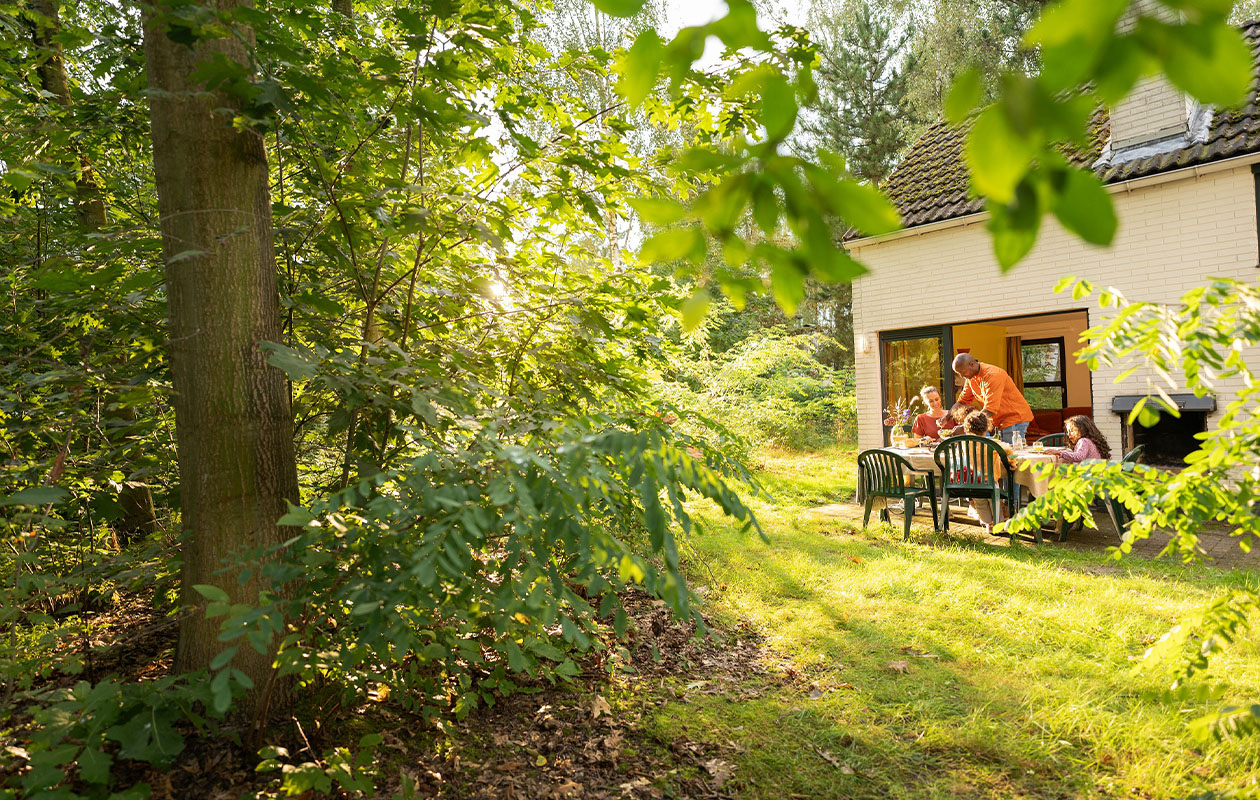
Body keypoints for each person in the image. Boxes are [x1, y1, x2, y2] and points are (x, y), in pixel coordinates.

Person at [951, 353, 1034, 445]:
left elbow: (990, 409)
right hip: (999, 421)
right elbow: (963, 401)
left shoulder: (993, 375)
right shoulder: (971, 378)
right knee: (1001, 452)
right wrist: (946, 418)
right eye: (959, 373)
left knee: (1010, 453)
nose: (962, 376)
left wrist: (964, 427)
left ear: (972, 364)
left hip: (1014, 417)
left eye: (962, 372)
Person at [957, 410, 1005, 532]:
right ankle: (998, 524)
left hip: (972, 481)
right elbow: (1005, 454)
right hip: (989, 480)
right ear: (986, 427)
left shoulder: (963, 443)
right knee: (995, 501)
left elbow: (958, 457)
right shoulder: (991, 444)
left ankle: (988, 523)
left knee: (980, 503)